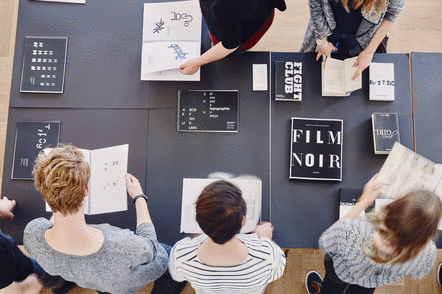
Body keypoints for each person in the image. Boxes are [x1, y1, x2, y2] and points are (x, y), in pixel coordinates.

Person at [24, 144, 170, 294]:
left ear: (43, 192)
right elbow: (151, 246)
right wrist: (139, 197)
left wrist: (60, 200)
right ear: (86, 189)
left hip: (90, 280)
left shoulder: (32, 233)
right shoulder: (121, 245)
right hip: (122, 284)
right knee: (167, 253)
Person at [305, 175, 442, 294]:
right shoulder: (428, 254)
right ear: (429, 233)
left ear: (395, 208)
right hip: (372, 281)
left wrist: (364, 201)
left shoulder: (356, 232)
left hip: (342, 272)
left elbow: (326, 241)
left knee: (332, 288)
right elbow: (417, 274)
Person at [169, 180, 286, 293]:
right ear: (243, 220)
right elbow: (278, 271)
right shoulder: (268, 255)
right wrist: (265, 238)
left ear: (198, 221)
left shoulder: (180, 254)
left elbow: (177, 276)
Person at [300, 0, 404, 80]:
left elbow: (392, 14)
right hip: (325, 28)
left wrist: (370, 50)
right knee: (309, 74)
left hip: (365, 39)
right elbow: (315, 4)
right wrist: (322, 38)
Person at [178, 0, 287, 75]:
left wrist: (196, 63)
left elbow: (230, 45)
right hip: (262, 10)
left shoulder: (221, 7)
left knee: (231, 58)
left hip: (244, 34)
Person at [0, 197, 76, 294]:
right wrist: (24, 288)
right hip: (26, 275)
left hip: (14, 259)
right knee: (53, 274)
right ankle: (63, 284)